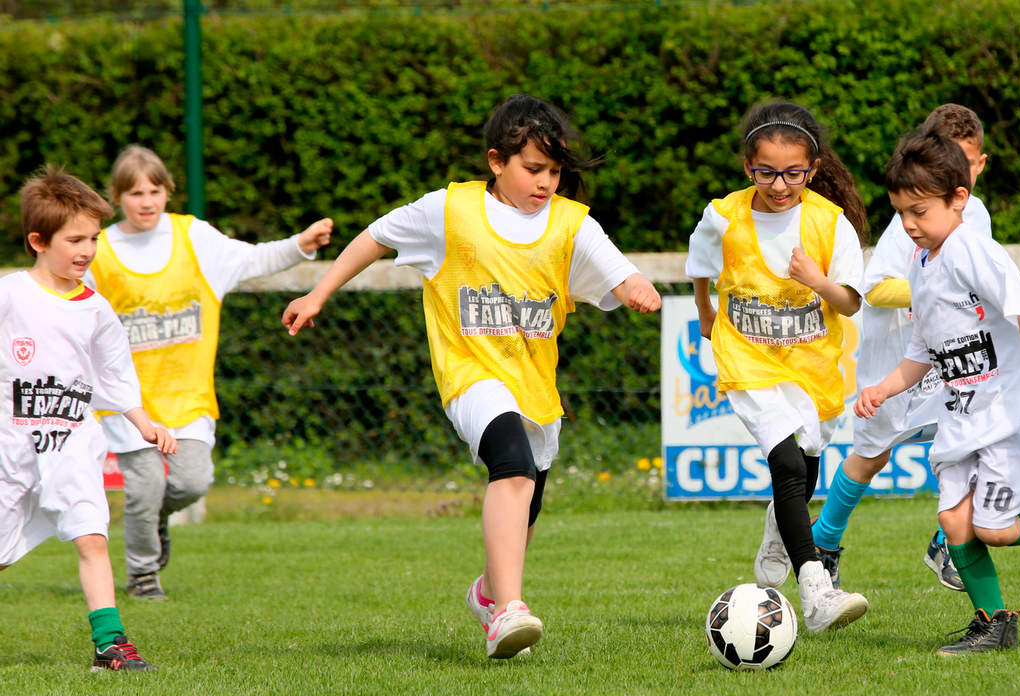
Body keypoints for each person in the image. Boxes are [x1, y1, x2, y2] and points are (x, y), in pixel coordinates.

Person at [281, 94, 661, 659]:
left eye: (555, 171)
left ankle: (488, 591)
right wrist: (319, 292)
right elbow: (376, 237)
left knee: (528, 493)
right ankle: (508, 610)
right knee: (510, 460)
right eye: (534, 169)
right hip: (469, 374)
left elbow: (619, 270)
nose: (547, 182)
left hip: (535, 382)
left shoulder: (570, 223)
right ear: (495, 161)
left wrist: (637, 289)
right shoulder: (448, 211)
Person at [856, 130, 1020, 655]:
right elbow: (922, 354)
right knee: (952, 522)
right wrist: (883, 388)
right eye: (901, 213)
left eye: (919, 212)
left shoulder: (975, 250)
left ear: (959, 199)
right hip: (960, 414)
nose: (909, 225)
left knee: (992, 529)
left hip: (1006, 413)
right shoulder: (919, 267)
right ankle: (993, 623)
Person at [86, 145, 333, 601]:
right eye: (135, 192)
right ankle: (143, 578)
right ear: (117, 196)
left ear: (168, 192)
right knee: (143, 488)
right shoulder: (99, 252)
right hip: (127, 403)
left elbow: (252, 259)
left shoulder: (192, 237)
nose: (146, 201)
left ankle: (154, 521)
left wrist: (300, 245)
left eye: (155, 190)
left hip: (188, 397)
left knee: (191, 481)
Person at [687, 101, 870, 633]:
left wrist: (817, 281)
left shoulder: (829, 224)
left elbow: (850, 302)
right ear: (748, 168)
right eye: (766, 172)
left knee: (806, 466)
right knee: (788, 466)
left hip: (811, 368)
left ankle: (777, 532)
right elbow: (700, 265)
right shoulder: (723, 216)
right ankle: (817, 592)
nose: (780, 184)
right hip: (746, 360)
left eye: (793, 173)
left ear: (812, 169)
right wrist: (705, 312)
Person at [806, 104, 991, 592]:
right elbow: (877, 287)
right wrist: (935, 289)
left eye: (967, 161)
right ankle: (823, 540)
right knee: (870, 456)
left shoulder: (978, 215)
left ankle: (946, 541)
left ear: (979, 165)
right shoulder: (908, 222)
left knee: (978, 439)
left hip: (949, 358)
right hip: (896, 357)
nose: (960, 172)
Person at [3, 167, 177, 671]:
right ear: (38, 240)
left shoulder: (96, 309)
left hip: (73, 442)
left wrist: (144, 422)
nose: (87, 250)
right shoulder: (11, 296)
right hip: (11, 447)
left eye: (94, 239)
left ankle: (110, 643)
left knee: (91, 535)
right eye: (74, 239)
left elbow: (115, 374)